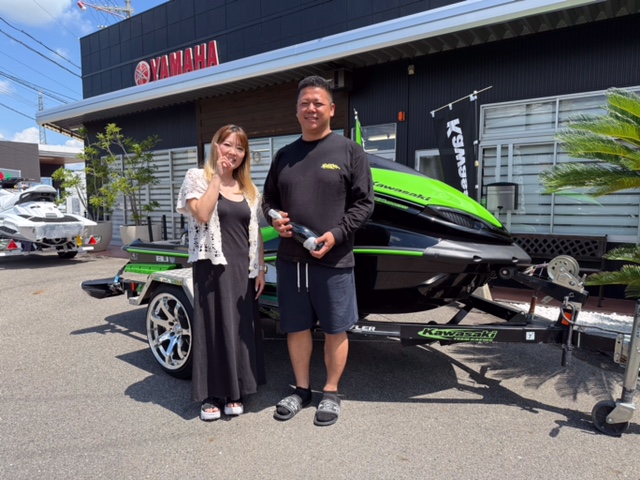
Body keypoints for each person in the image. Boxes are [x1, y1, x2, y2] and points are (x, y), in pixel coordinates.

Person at [262, 75, 374, 426]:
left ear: (331, 109)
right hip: (291, 260)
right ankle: (301, 389)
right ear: (296, 110)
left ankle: (331, 391)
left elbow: (365, 203)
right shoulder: (284, 155)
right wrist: (275, 219)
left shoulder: (350, 152)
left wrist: (336, 235)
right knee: (296, 328)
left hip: (334, 260)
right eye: (304, 103)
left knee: (335, 329)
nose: (311, 109)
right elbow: (268, 200)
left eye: (318, 103)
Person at [177, 124, 267, 421]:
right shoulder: (196, 177)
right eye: (227, 144)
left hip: (244, 268)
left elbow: (256, 231)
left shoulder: (249, 189)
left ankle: (236, 390)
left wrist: (261, 268)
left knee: (240, 328)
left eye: (240, 148)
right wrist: (217, 176)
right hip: (212, 266)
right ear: (216, 145)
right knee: (214, 327)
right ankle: (212, 395)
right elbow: (202, 213)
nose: (233, 152)